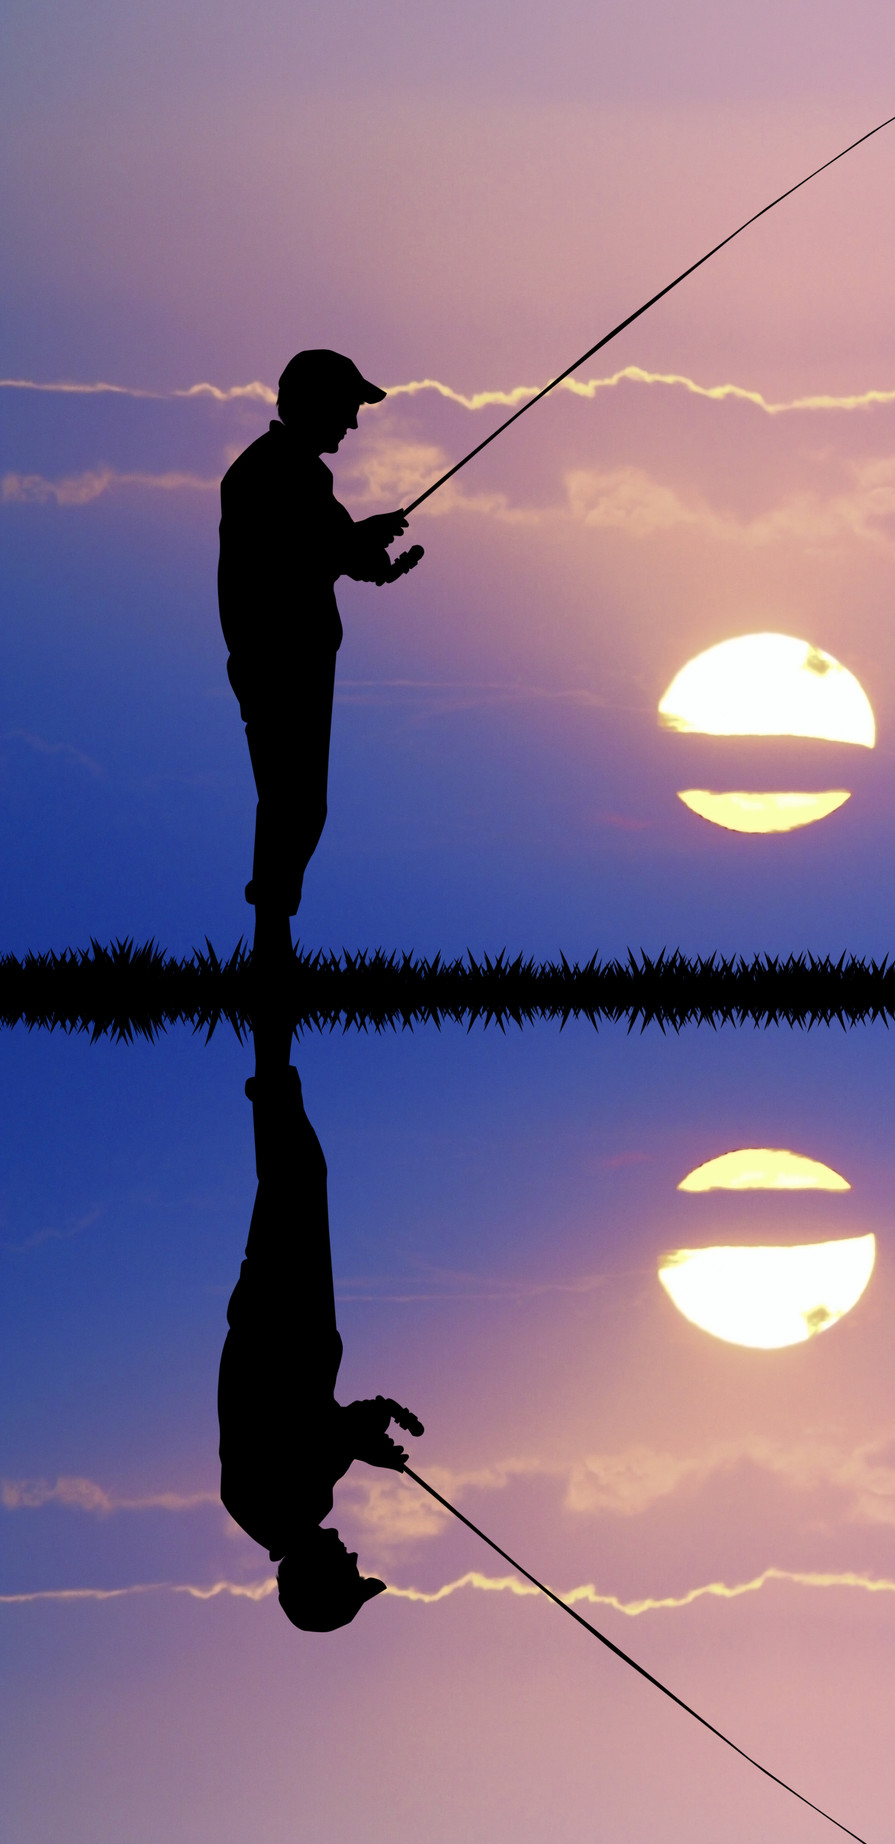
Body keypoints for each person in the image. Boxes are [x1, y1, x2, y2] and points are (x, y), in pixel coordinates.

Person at [218, 350, 424, 966]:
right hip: (278, 660)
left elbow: (335, 551)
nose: (352, 425)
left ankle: (272, 942)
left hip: (294, 659)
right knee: (292, 800)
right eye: (346, 408)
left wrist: (375, 557)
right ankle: (271, 949)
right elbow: (302, 554)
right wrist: (358, 540)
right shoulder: (272, 473)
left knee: (295, 801)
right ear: (311, 403)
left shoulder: (303, 475)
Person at [219, 1014, 422, 1631]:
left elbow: (293, 1424)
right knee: (299, 1172)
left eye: (349, 1574)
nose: (356, 1555)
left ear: (314, 1577)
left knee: (295, 1174)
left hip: (278, 1314)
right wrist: (371, 1423)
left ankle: (271, 1049)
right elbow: (328, 1429)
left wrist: (356, 1442)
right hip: (303, 1320)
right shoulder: (306, 1504)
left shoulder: (261, 1505)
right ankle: (272, 1072)